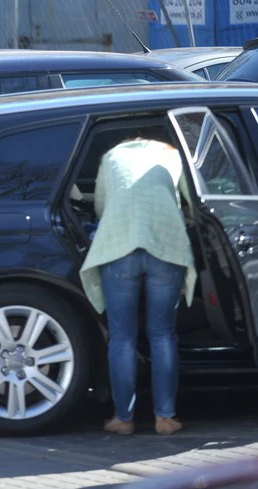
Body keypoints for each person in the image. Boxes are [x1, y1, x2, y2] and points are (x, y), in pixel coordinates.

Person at [79, 136, 197, 436]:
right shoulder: (172, 155)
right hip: (165, 247)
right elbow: (191, 202)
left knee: (122, 338)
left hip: (119, 249)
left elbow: (102, 207)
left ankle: (123, 419)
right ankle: (165, 418)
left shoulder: (111, 157)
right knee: (162, 335)